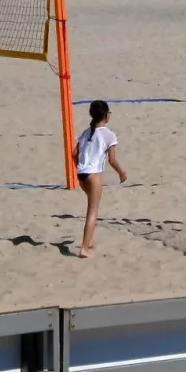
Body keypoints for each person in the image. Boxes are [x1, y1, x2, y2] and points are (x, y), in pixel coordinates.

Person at [74, 100, 127, 258]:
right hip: (93, 175)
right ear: (106, 116)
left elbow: (75, 153)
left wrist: (81, 166)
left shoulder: (86, 132)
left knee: (91, 206)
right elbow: (112, 160)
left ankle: (89, 241)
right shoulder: (108, 134)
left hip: (81, 174)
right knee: (93, 211)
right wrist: (121, 172)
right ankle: (84, 248)